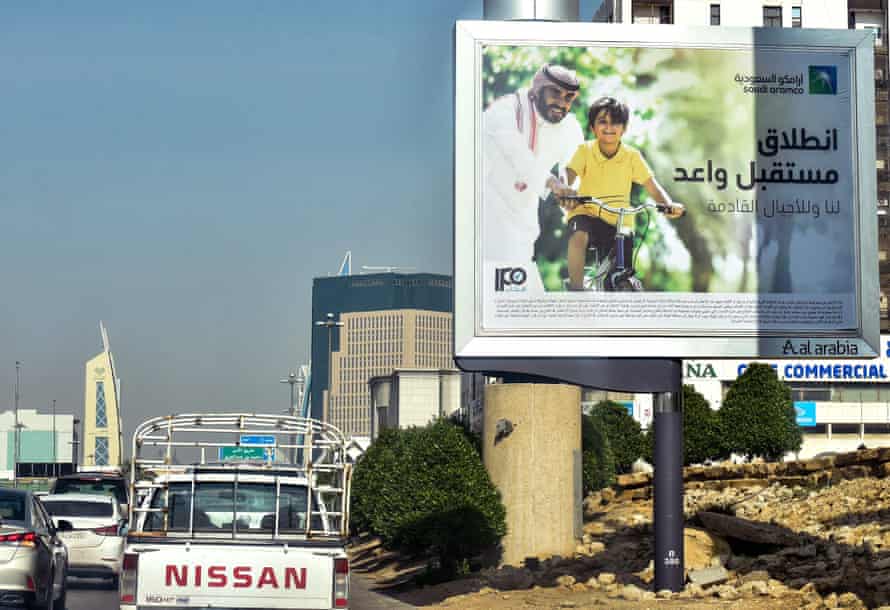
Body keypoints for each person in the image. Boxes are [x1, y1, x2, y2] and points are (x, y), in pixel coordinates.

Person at [560, 97, 684, 291]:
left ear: (624, 128)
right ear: (593, 127)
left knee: (621, 267)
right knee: (579, 236)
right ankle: (577, 291)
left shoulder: (631, 156)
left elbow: (652, 185)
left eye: (615, 122)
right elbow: (567, 176)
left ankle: (619, 286)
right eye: (603, 121)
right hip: (587, 211)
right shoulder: (584, 151)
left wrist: (667, 204)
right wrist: (565, 191)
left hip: (619, 220)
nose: (609, 127)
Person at [483, 64, 584, 289]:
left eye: (568, 97)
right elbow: (519, 156)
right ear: (536, 90)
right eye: (555, 93)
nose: (561, 103)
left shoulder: (569, 127)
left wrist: (571, 199)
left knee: (516, 299)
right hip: (486, 214)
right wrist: (554, 185)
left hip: (524, 225)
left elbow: (576, 169)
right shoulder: (504, 111)